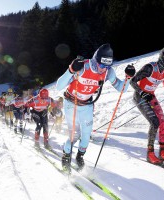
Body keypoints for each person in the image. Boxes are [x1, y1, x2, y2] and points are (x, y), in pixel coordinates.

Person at [56, 43, 136, 171]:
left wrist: (128, 77)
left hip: (87, 104)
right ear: (95, 60)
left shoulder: (108, 72)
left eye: (107, 66)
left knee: (86, 135)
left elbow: (121, 89)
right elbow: (59, 86)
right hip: (71, 103)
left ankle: (80, 156)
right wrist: (71, 70)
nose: (103, 69)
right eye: (101, 65)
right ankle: (66, 157)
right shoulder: (83, 66)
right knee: (75, 134)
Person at [130, 46, 164, 165]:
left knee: (163, 122)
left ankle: (162, 152)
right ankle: (150, 154)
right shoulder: (150, 68)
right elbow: (133, 81)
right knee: (154, 122)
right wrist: (142, 93)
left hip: (151, 96)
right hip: (140, 97)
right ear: (162, 58)